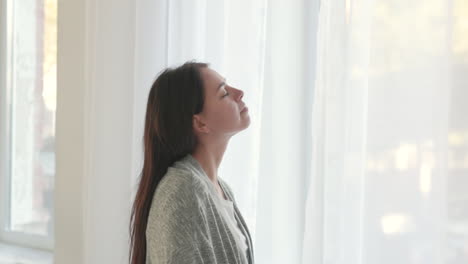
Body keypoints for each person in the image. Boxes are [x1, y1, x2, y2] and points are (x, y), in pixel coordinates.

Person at [129, 61, 254, 264]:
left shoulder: (220, 189)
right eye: (224, 93)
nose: (239, 93)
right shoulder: (182, 189)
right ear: (200, 123)